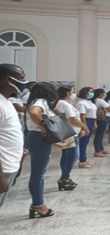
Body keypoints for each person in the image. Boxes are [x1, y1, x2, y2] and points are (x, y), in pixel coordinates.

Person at [26, 82, 61, 218]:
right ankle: (38, 205)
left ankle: (38, 203)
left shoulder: (40, 102)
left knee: (39, 173)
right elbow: (34, 112)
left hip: (37, 138)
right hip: (38, 138)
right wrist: (45, 128)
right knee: (38, 174)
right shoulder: (40, 101)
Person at [0, 64, 27, 209]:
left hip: (9, 164)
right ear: (8, 79)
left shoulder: (6, 101)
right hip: (2, 168)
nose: (24, 81)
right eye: (22, 78)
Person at [55, 86, 88, 190]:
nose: (74, 93)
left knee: (66, 156)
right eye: (73, 91)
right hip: (70, 133)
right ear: (68, 92)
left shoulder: (63, 103)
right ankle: (64, 178)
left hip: (69, 132)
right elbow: (73, 119)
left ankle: (64, 177)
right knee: (73, 156)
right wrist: (84, 126)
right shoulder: (64, 104)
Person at [76, 87, 97, 168]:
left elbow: (93, 114)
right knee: (83, 142)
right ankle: (82, 160)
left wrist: (94, 123)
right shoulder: (81, 103)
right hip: (86, 121)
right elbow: (82, 115)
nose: (92, 93)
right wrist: (85, 127)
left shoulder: (90, 102)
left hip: (91, 121)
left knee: (86, 141)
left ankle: (84, 158)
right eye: (90, 92)